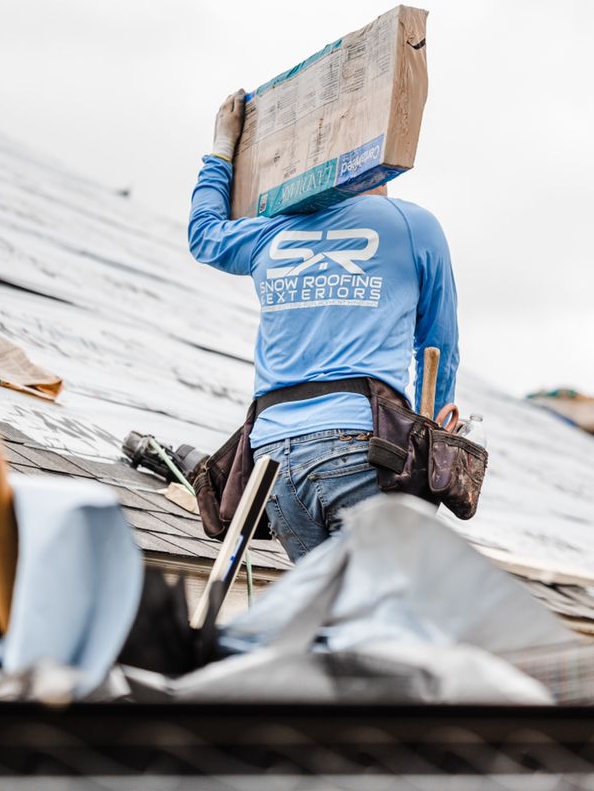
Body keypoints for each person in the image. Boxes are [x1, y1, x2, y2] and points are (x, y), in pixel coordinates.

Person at [189, 90, 459, 562]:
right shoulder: (412, 225)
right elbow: (439, 345)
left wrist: (221, 147)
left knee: (323, 613)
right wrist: (433, 430)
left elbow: (204, 235)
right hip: (358, 446)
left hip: (271, 456)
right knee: (371, 612)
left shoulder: (270, 231)